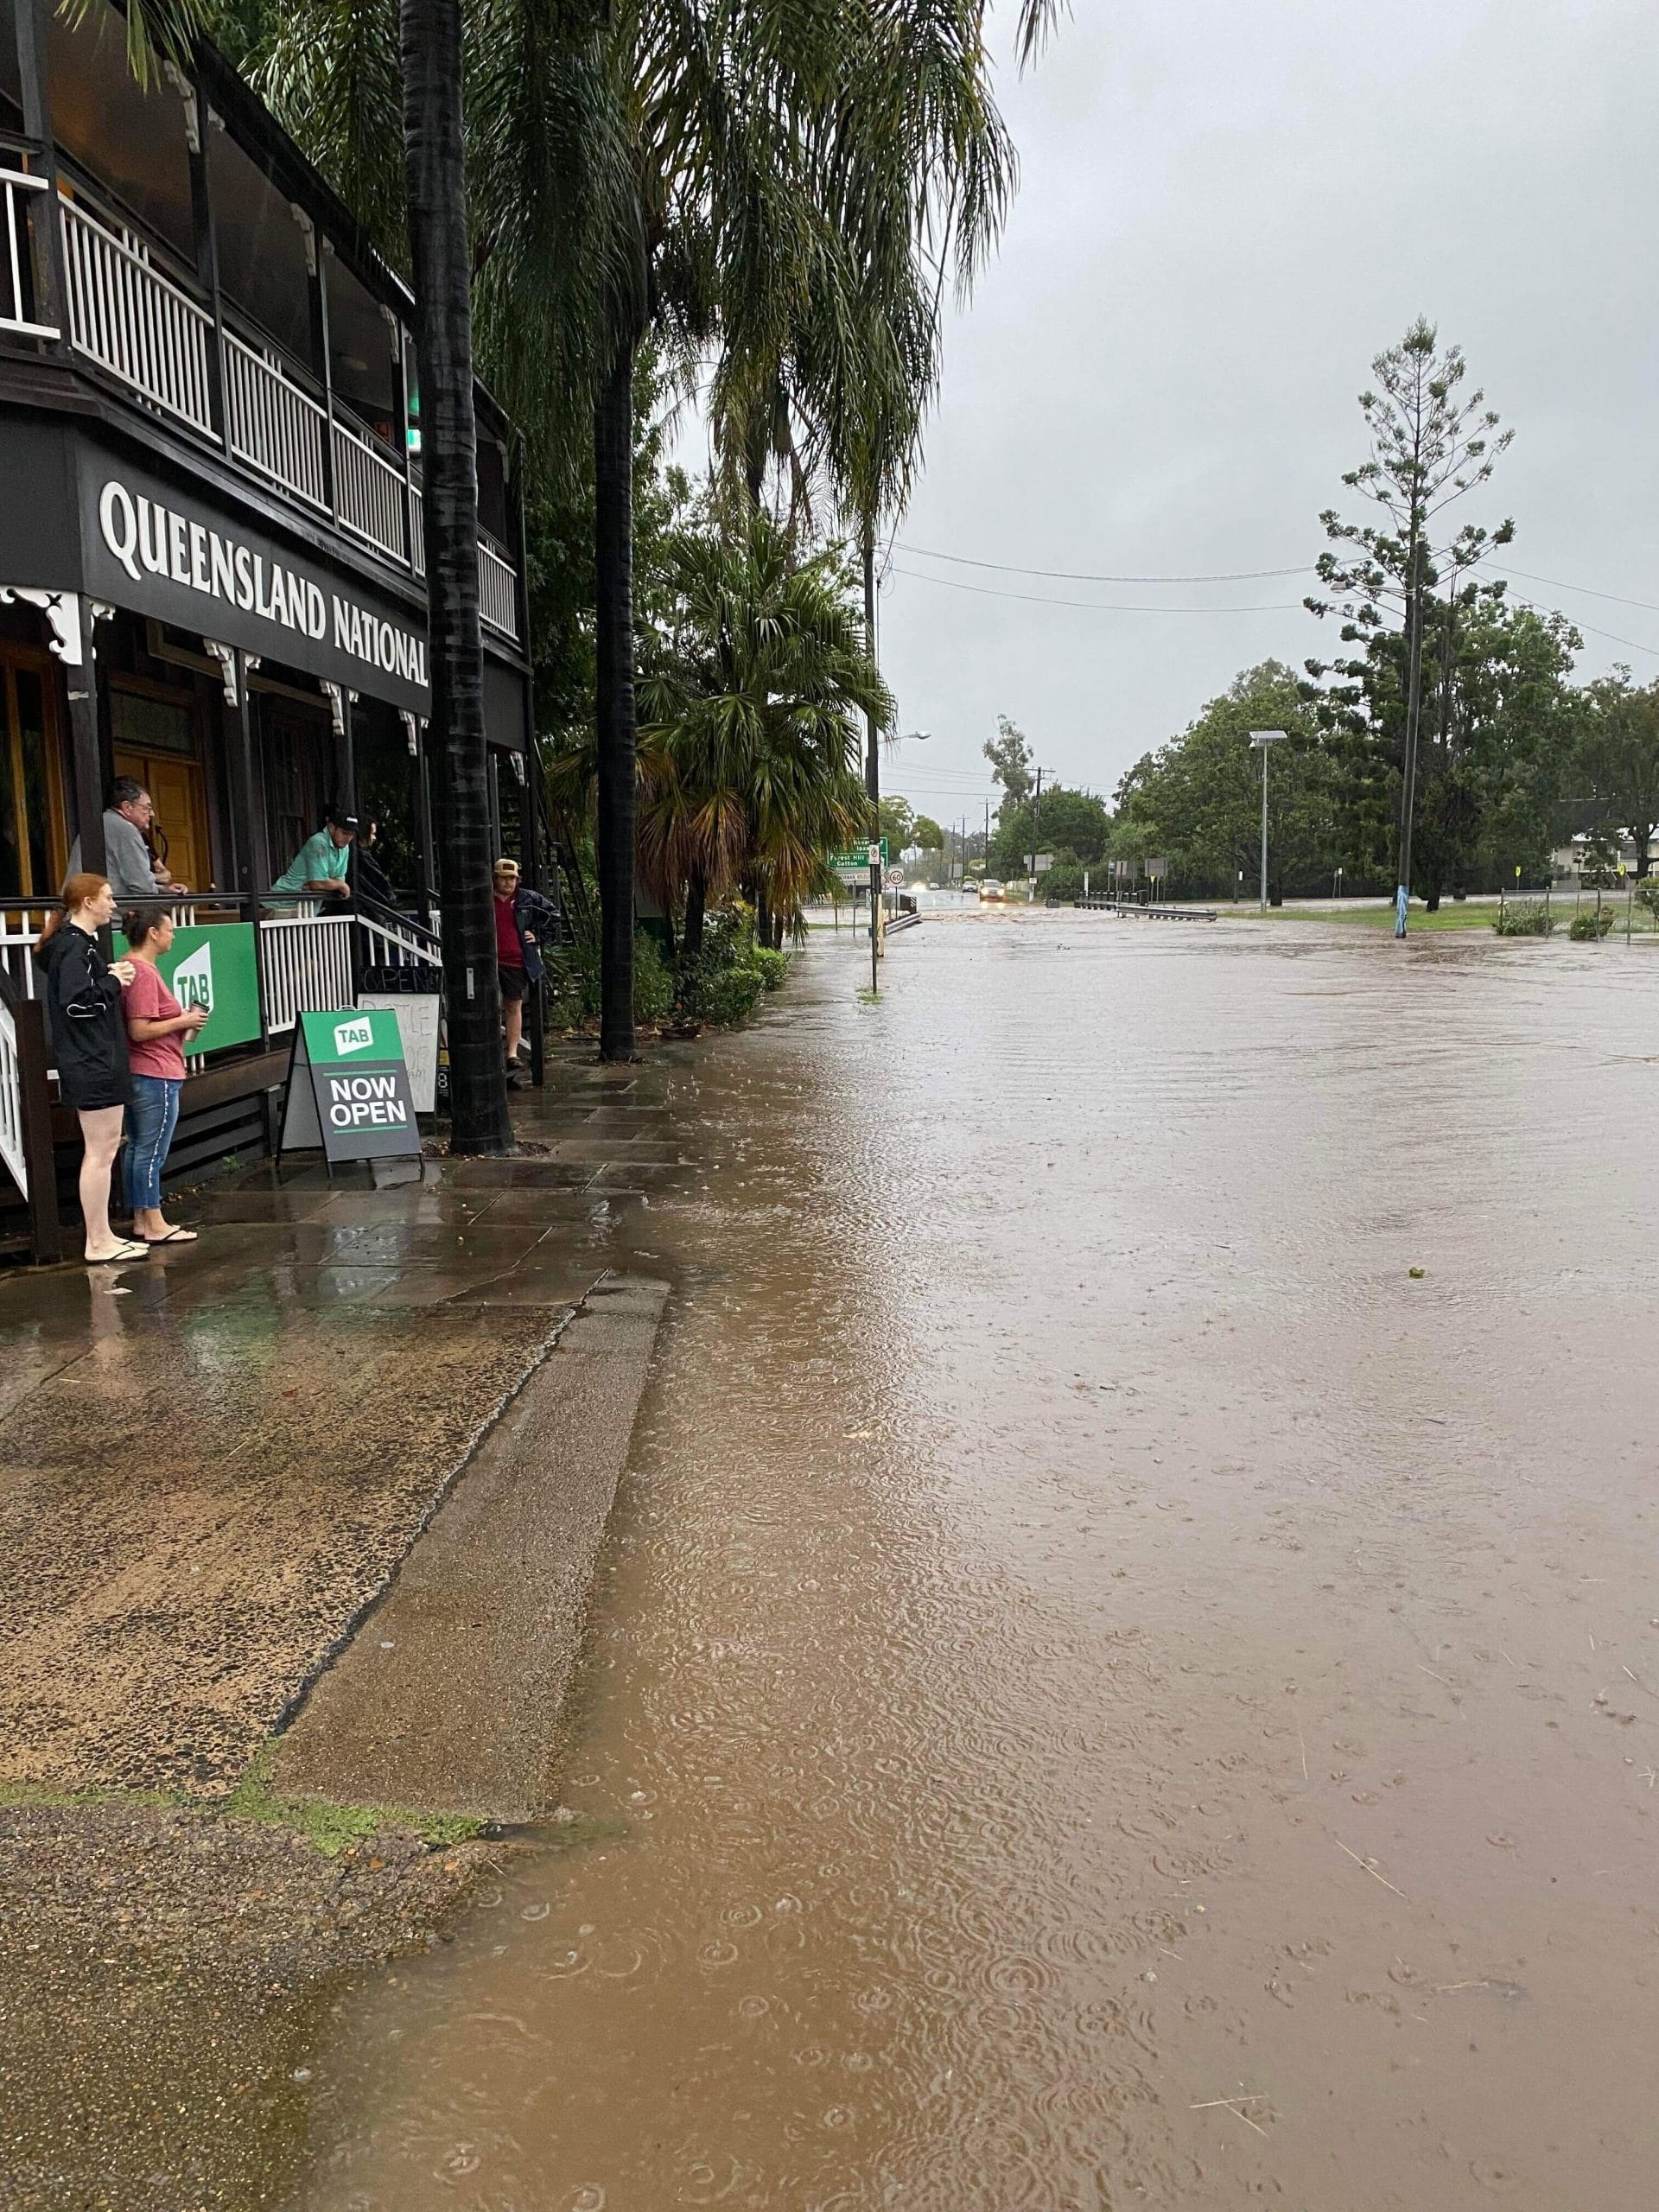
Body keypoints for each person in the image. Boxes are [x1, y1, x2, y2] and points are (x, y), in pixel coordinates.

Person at [33, 874, 144, 1264]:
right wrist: (113, 981)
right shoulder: (74, 949)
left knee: (105, 1148)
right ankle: (97, 1241)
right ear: (86, 902)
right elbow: (77, 1005)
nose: (113, 904)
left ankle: (103, 1236)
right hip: (91, 1061)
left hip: (94, 1058)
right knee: (100, 1150)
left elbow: (81, 997)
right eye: (107, 898)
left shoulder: (77, 947)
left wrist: (109, 977)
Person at [120, 906, 209, 1245]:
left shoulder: (130, 967)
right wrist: (183, 1021)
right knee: (152, 1149)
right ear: (153, 934)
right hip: (155, 1072)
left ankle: (142, 1218)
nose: (174, 935)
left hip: (141, 1071)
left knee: (138, 1147)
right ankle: (154, 1221)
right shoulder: (143, 973)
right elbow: (140, 1029)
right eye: (169, 929)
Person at [66, 778, 188, 901]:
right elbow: (142, 885)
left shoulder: (99, 823)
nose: (152, 814)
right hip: (109, 914)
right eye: (146, 808)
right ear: (127, 807)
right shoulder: (125, 830)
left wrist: (163, 889)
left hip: (79, 909)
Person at [493, 858, 557, 1081]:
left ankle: (512, 1052)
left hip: (516, 960)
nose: (508, 883)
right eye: (504, 878)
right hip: (491, 960)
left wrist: (537, 935)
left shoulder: (527, 898)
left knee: (513, 1004)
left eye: (512, 878)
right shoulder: (485, 898)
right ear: (496, 878)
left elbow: (553, 915)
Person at [269, 808, 358, 901]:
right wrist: (339, 885)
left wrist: (335, 884)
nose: (348, 838)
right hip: (280, 903)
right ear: (331, 827)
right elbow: (317, 883)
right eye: (344, 833)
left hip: (305, 905)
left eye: (351, 834)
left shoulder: (344, 847)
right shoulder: (318, 843)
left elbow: (339, 878)